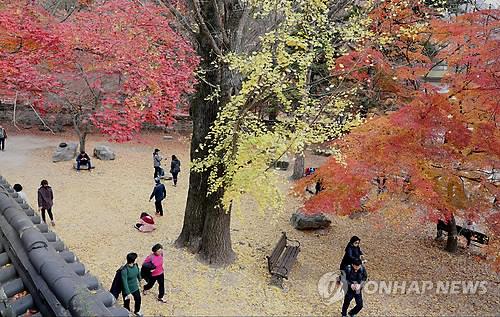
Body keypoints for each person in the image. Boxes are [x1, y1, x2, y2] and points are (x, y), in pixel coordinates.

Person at [121, 252, 143, 317]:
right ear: (132, 260)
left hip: (135, 287)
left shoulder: (135, 265)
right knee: (126, 302)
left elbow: (138, 273)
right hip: (127, 289)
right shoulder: (124, 270)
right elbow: (124, 282)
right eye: (136, 258)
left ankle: (137, 311)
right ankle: (127, 313)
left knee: (138, 299)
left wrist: (140, 280)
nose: (137, 259)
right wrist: (128, 293)